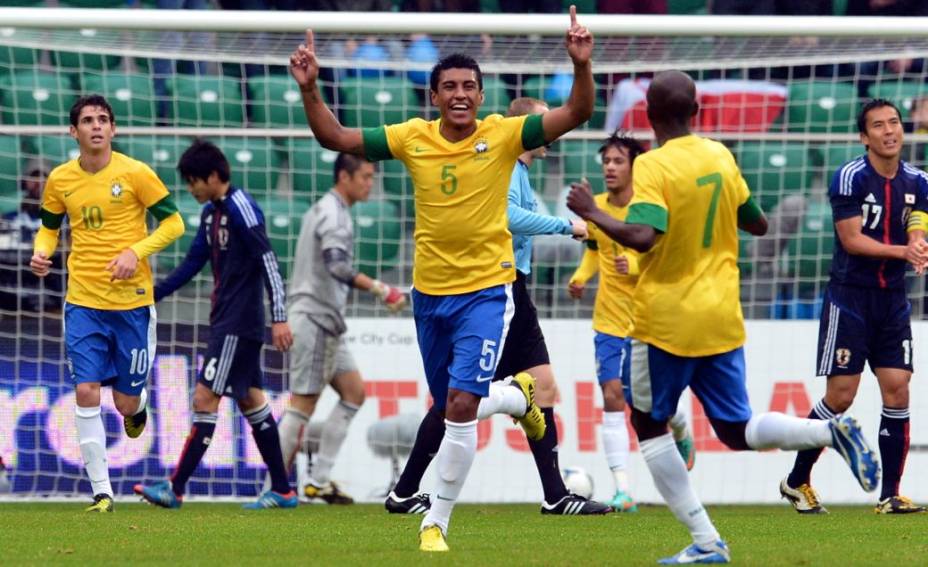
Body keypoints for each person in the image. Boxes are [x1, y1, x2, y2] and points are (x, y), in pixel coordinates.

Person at [289, 4, 594, 551]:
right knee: (454, 402)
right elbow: (334, 137)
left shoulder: (504, 135)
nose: (459, 93)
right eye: (448, 85)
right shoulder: (412, 137)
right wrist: (311, 89)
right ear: (433, 96)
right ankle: (517, 401)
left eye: (469, 86)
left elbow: (575, 112)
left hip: (488, 291)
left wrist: (580, 64)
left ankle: (436, 521)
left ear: (481, 96)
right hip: (429, 299)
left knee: (458, 405)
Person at [566, 70, 882, 564]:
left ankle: (706, 540)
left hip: (666, 320)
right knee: (736, 429)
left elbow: (645, 236)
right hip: (722, 315)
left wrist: (593, 212)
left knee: (648, 424)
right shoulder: (719, 154)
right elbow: (756, 222)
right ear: (698, 112)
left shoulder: (652, 166)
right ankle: (829, 431)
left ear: (648, 115)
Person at [383, 97, 613, 518]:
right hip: (495, 289)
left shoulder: (520, 170)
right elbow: (506, 217)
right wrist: (569, 227)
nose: (550, 128)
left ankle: (555, 493)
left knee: (540, 387)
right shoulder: (505, 166)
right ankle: (405, 490)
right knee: (458, 398)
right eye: (543, 118)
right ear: (527, 123)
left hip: (512, 287)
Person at [30, 94, 185, 512]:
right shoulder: (61, 180)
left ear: (113, 129)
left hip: (132, 303)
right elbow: (49, 228)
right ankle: (102, 491)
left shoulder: (136, 173)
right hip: (82, 300)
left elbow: (175, 223)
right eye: (87, 120)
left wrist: (136, 251)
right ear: (73, 131)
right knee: (85, 389)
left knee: (124, 404)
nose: (96, 126)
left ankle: (140, 406)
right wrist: (41, 251)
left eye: (103, 119)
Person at [780, 99, 928, 516]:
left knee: (898, 387)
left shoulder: (918, 178)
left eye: (894, 123)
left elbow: (918, 215)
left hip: (893, 300)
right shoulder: (849, 177)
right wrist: (904, 251)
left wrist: (917, 240)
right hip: (850, 298)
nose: (889, 131)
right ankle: (796, 480)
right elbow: (852, 240)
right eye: (878, 126)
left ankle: (890, 495)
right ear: (864, 137)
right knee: (840, 397)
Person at [133, 139, 297, 510]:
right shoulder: (211, 214)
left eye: (193, 182)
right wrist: (151, 294)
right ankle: (284, 489)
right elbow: (193, 264)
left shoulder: (242, 207)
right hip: (227, 320)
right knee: (251, 400)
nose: (190, 189)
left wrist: (280, 316)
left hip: (239, 323)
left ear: (211, 176)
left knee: (204, 396)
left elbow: (268, 260)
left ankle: (174, 488)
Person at [567, 131, 695, 513]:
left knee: (651, 404)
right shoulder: (598, 207)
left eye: (618, 161)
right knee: (611, 396)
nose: (610, 167)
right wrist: (581, 276)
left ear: (635, 167)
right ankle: (623, 490)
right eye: (606, 160)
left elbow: (666, 257)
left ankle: (681, 427)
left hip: (646, 320)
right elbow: (594, 250)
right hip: (608, 320)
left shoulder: (647, 209)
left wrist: (636, 263)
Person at [275, 152, 407, 505]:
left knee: (353, 392)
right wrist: (381, 289)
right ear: (344, 177)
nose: (370, 183)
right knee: (303, 402)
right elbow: (336, 265)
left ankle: (318, 480)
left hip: (327, 319)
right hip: (315, 317)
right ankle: (275, 486)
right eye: (365, 176)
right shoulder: (333, 214)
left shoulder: (328, 209)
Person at [1, 158, 64, 313]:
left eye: (44, 178)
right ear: (24, 182)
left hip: (51, 307)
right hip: (10, 303)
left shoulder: (65, 221)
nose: (39, 183)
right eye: (34, 177)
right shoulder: (9, 220)